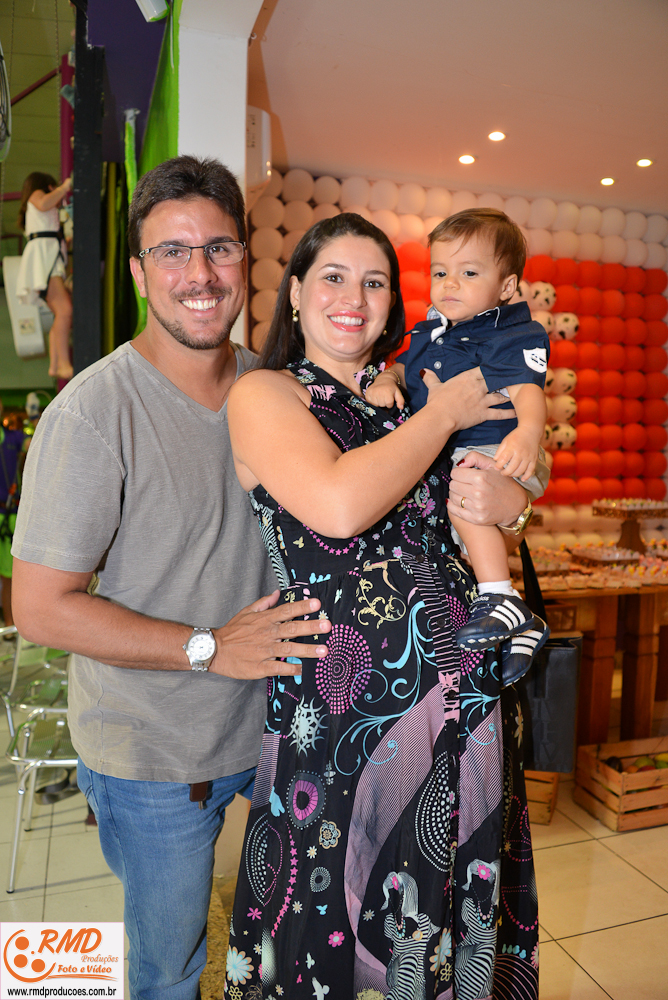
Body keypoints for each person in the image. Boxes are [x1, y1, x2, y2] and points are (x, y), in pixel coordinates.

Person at [10, 155, 338, 1000]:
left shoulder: (277, 391)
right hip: (153, 756)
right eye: (173, 252)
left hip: (278, 733)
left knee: (293, 944)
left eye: (219, 249)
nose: (200, 274)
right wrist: (208, 646)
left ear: (245, 262)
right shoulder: (94, 414)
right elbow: (40, 608)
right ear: (137, 272)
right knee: (170, 970)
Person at [224, 213, 540, 1000]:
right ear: (296, 291)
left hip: (466, 694)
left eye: (375, 282)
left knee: (455, 921)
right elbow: (338, 507)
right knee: (331, 913)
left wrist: (514, 502)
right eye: (333, 277)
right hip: (345, 712)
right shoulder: (267, 394)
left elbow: (492, 478)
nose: (354, 298)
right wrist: (441, 415)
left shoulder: (412, 390)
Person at [367, 208, 551, 679]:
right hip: (462, 456)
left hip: (500, 447)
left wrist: (528, 432)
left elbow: (528, 390)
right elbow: (406, 366)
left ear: (506, 286)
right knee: (460, 524)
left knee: (465, 499)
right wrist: (388, 379)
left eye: (469, 273)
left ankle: (499, 597)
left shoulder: (509, 332)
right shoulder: (432, 331)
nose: (449, 283)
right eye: (440, 272)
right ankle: (522, 623)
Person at [16, 172, 74, 381]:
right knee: (65, 311)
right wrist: (65, 187)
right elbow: (43, 203)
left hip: (48, 260)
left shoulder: (46, 216)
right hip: (43, 261)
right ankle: (63, 364)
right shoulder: (37, 196)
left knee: (61, 312)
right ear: (48, 186)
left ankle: (56, 365)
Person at [0, 403, 25, 629]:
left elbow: (33, 443)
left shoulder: (12, 437)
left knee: (10, 576)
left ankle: (9, 625)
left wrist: (35, 418)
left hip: (8, 514)